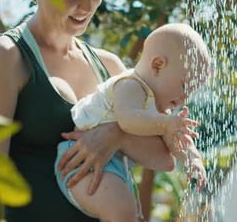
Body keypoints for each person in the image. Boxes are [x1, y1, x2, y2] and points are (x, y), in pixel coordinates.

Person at [0, 0, 175, 221]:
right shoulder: (7, 57)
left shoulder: (110, 66)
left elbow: (162, 157)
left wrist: (115, 134)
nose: (87, 5)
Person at [55, 23, 210, 221]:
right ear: (157, 65)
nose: (185, 98)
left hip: (113, 165)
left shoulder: (160, 109)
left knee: (131, 215)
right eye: (184, 86)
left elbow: (175, 141)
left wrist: (192, 159)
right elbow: (128, 121)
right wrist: (166, 124)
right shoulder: (130, 86)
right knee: (122, 212)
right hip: (83, 160)